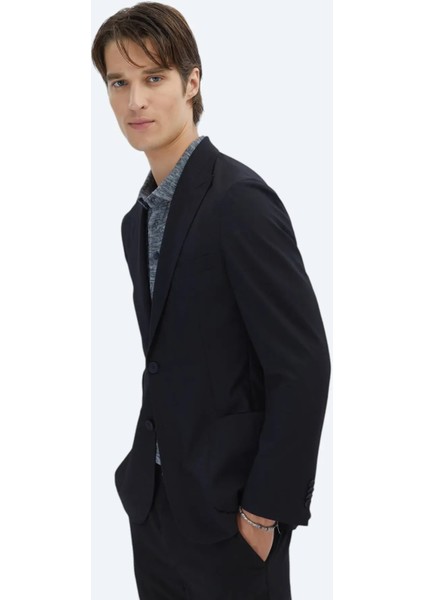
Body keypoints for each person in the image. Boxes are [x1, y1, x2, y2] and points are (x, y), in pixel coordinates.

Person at [91, 3, 331, 598]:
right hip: (156, 509)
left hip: (231, 518)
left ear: (191, 82)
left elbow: (302, 367)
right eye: (118, 83)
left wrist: (264, 513)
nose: (135, 101)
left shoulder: (239, 202)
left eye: (153, 78)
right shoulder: (136, 219)